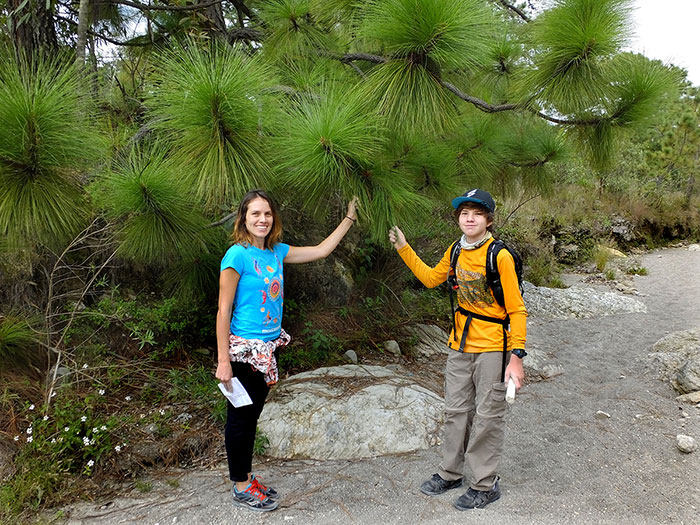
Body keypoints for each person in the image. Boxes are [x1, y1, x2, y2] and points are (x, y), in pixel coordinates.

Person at [215, 189, 358, 512]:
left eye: (267, 214)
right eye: (255, 214)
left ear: (273, 219)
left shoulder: (276, 252)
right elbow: (223, 310)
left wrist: (349, 217)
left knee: (251, 418)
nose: (262, 219)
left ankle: (246, 477)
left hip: (270, 348)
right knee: (240, 419)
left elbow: (321, 250)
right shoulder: (236, 256)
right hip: (243, 353)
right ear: (244, 219)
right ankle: (240, 485)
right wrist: (223, 361)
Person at [388, 188, 527, 510]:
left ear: (489, 220)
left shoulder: (499, 256)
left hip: (494, 345)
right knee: (455, 412)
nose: (469, 217)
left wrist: (517, 357)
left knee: (489, 415)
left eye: (477, 213)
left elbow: (517, 310)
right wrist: (403, 247)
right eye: (464, 212)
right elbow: (430, 279)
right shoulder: (455, 251)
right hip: (460, 344)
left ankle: (484, 483)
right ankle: (450, 473)